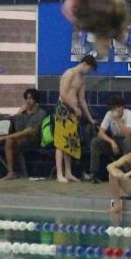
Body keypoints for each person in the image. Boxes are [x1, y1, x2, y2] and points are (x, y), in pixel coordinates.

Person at [54, 54, 98, 184]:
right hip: (63, 109)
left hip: (74, 111)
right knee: (61, 143)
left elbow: (82, 100)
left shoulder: (83, 79)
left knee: (70, 142)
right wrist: (74, 107)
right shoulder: (70, 73)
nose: (89, 72)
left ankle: (68, 173)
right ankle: (59, 174)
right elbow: (62, 93)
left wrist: (90, 118)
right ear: (84, 64)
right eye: (89, 69)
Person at [0, 88, 44, 181]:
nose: (28, 101)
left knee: (29, 130)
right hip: (20, 139)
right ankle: (11, 172)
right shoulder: (22, 113)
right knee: (10, 140)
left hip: (34, 139)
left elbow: (31, 130)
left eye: (31, 98)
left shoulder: (41, 113)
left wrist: (0, 138)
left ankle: (1, 139)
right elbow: (18, 129)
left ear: (35, 100)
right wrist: (18, 114)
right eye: (26, 98)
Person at [91, 94, 131, 183]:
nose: (116, 109)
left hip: (130, 140)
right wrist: (112, 142)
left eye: (119, 107)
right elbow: (101, 133)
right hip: (115, 139)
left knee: (127, 142)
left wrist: (117, 120)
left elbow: (128, 135)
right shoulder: (109, 114)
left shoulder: (129, 114)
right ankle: (95, 174)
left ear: (123, 107)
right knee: (95, 141)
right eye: (114, 107)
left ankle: (127, 173)